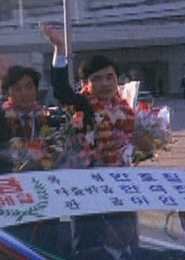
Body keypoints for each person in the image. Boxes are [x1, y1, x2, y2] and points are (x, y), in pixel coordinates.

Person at [41, 22, 151, 166]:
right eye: (97, 79)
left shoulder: (125, 110)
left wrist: (146, 147)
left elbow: (132, 153)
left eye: (110, 77)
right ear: (85, 83)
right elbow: (61, 89)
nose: (105, 84)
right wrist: (60, 48)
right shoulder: (83, 105)